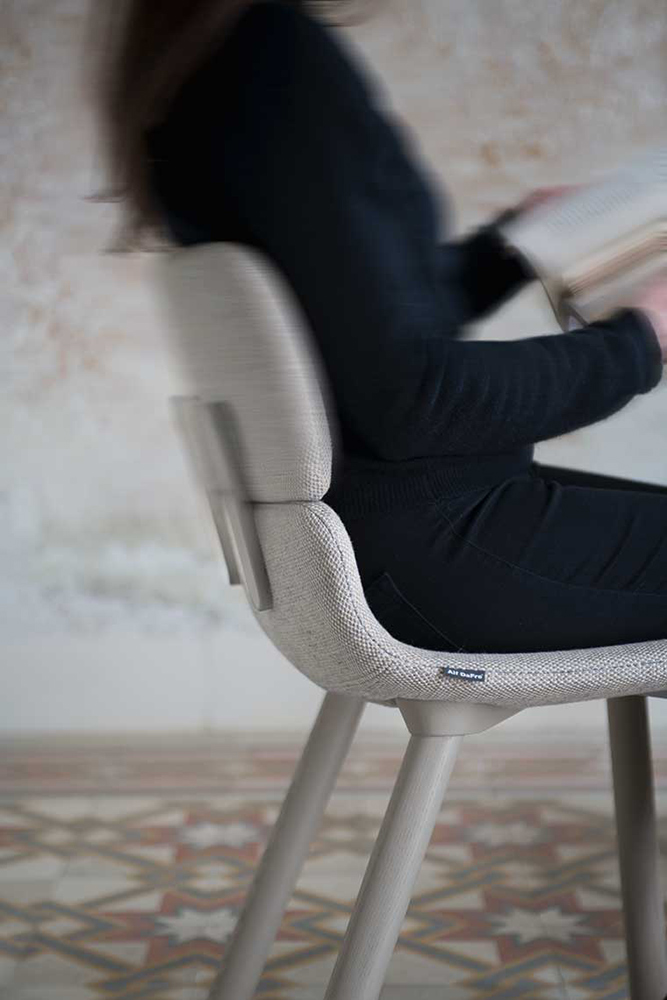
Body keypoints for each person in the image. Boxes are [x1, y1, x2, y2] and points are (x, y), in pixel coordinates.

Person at [90, 0, 667, 653]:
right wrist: (638, 340)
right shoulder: (270, 54)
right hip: (436, 551)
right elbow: (410, 397)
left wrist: (514, 246)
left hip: (404, 531)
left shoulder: (215, 62)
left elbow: (363, 331)